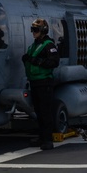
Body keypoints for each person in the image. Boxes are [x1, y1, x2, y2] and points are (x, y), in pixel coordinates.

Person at [23, 17, 60, 150]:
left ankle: (48, 140)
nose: (33, 32)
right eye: (32, 29)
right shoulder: (34, 45)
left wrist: (36, 61)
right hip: (35, 82)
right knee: (38, 111)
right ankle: (42, 137)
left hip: (44, 83)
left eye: (36, 30)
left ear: (43, 31)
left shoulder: (48, 45)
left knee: (45, 111)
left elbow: (54, 62)